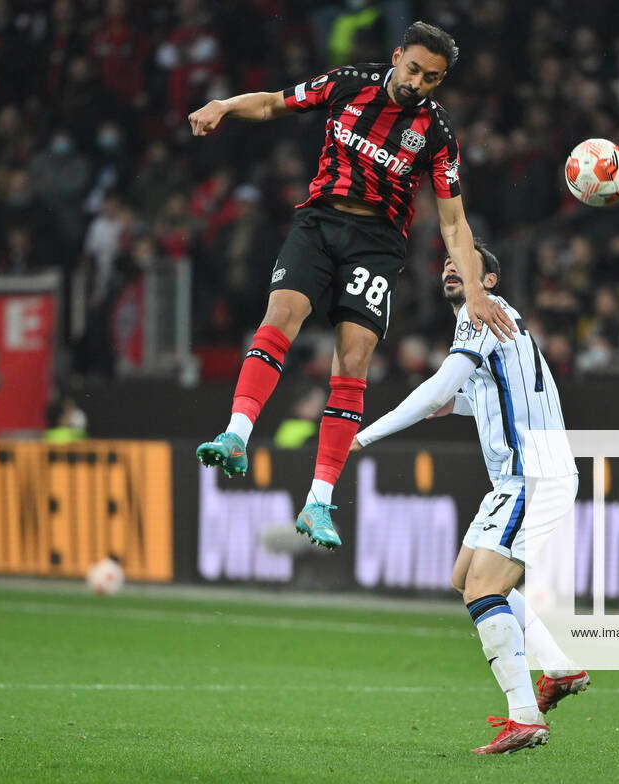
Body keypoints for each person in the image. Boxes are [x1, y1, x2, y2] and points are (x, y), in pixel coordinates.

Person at [190, 21, 515, 550]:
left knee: (354, 360)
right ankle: (236, 435)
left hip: (377, 243)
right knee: (281, 316)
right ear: (396, 56)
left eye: (431, 78)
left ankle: (318, 500)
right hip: (318, 223)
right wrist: (224, 105)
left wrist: (475, 290)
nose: (418, 82)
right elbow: (274, 103)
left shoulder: (436, 133)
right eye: (413, 69)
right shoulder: (347, 83)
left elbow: (454, 223)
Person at [351, 239, 587, 754]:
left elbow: (438, 388)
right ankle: (560, 668)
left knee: (484, 589)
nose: (452, 267)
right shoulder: (496, 323)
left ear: (490, 281)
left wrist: (364, 434)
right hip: (519, 477)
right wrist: (454, 403)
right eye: (448, 263)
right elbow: (488, 394)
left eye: (466, 264)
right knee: (465, 578)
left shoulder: (483, 316)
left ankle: (524, 716)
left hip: (532, 475)